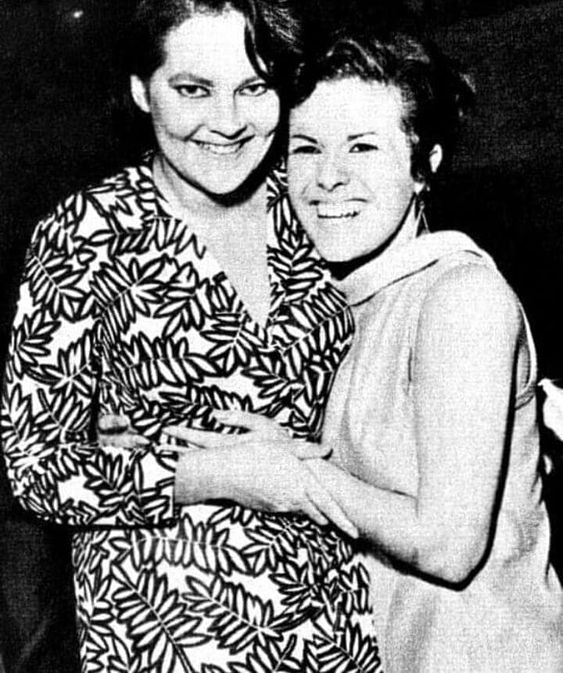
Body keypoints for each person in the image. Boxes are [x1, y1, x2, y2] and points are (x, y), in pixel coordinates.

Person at [171, 16, 563, 673]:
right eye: (306, 148)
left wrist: (295, 477)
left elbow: (448, 546)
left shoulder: (457, 295)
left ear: (424, 166)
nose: (327, 177)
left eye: (362, 148)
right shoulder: (350, 305)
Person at [0, 1, 381, 671]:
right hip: (170, 623)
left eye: (254, 87)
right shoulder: (87, 233)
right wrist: (216, 475)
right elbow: (34, 469)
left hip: (332, 617)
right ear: (140, 90)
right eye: (193, 89)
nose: (228, 122)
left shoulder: (318, 199)